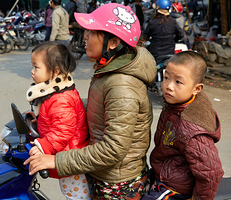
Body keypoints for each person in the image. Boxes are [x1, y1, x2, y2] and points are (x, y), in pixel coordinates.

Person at [24, 3, 157, 199]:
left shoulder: (122, 85)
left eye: (92, 32)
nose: (85, 36)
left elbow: (113, 149)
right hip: (101, 173)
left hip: (116, 184)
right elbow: (99, 108)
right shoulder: (109, 71)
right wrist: (53, 111)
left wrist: (56, 161)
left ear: (112, 43)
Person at [142, 51, 224, 200]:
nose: (169, 86)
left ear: (197, 89)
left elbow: (211, 172)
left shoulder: (191, 128)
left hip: (175, 186)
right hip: (163, 171)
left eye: (178, 82)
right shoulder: (177, 103)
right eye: (166, 78)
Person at [26, 41, 90, 199]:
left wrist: (43, 146)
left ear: (55, 71)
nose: (32, 72)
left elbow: (63, 131)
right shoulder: (56, 93)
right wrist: (39, 119)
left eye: (36, 67)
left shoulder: (61, 99)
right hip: (66, 153)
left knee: (76, 195)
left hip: (70, 158)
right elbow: (55, 119)